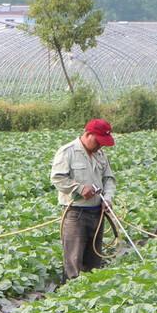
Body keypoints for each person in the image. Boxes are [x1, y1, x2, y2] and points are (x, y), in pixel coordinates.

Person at [51, 118, 117, 280]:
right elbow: (58, 178)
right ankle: (72, 294)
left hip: (98, 213)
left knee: (94, 259)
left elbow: (109, 179)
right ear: (88, 134)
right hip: (76, 214)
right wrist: (79, 188)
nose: (100, 146)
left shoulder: (100, 155)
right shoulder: (68, 152)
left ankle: (91, 294)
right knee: (74, 260)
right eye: (98, 141)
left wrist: (107, 198)